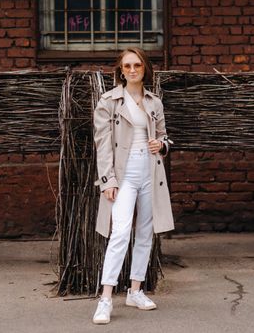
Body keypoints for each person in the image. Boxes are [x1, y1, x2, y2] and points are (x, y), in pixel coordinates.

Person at [92, 47, 174, 325]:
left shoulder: (154, 102)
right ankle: (105, 298)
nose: (132, 70)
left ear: (145, 68)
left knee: (145, 233)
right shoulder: (109, 101)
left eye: (137, 65)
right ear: (120, 70)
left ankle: (135, 291)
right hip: (123, 174)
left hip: (150, 170)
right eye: (127, 66)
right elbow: (102, 145)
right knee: (120, 232)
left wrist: (161, 144)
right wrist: (107, 181)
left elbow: (164, 137)